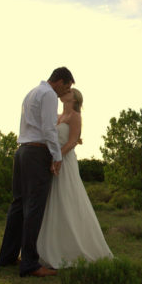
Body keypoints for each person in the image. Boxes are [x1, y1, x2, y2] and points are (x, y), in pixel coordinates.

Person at [0, 67, 75, 277]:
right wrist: (57, 156)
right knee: (34, 207)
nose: (64, 93)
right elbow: (49, 128)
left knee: (18, 204)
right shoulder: (49, 94)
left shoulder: (32, 92)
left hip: (22, 151)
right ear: (59, 81)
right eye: (66, 87)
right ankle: (30, 263)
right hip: (36, 154)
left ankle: (7, 256)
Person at [37, 88, 113, 269]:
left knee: (68, 198)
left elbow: (72, 141)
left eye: (68, 91)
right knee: (52, 201)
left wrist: (58, 157)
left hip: (66, 161)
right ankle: (48, 247)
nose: (64, 92)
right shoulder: (57, 116)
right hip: (54, 160)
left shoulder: (75, 116)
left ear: (75, 97)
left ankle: (75, 246)